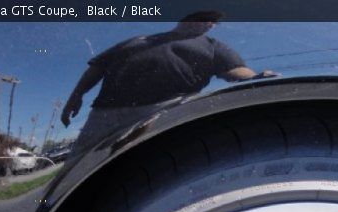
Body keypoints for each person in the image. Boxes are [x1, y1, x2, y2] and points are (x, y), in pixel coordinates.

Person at [61, 12, 277, 154]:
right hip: (105, 112)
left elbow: (233, 69)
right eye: (205, 18)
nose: (210, 24)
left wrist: (255, 78)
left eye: (213, 22)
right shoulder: (137, 40)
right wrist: (75, 96)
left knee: (145, 159)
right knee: (78, 164)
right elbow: (98, 67)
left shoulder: (212, 46)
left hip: (167, 108)